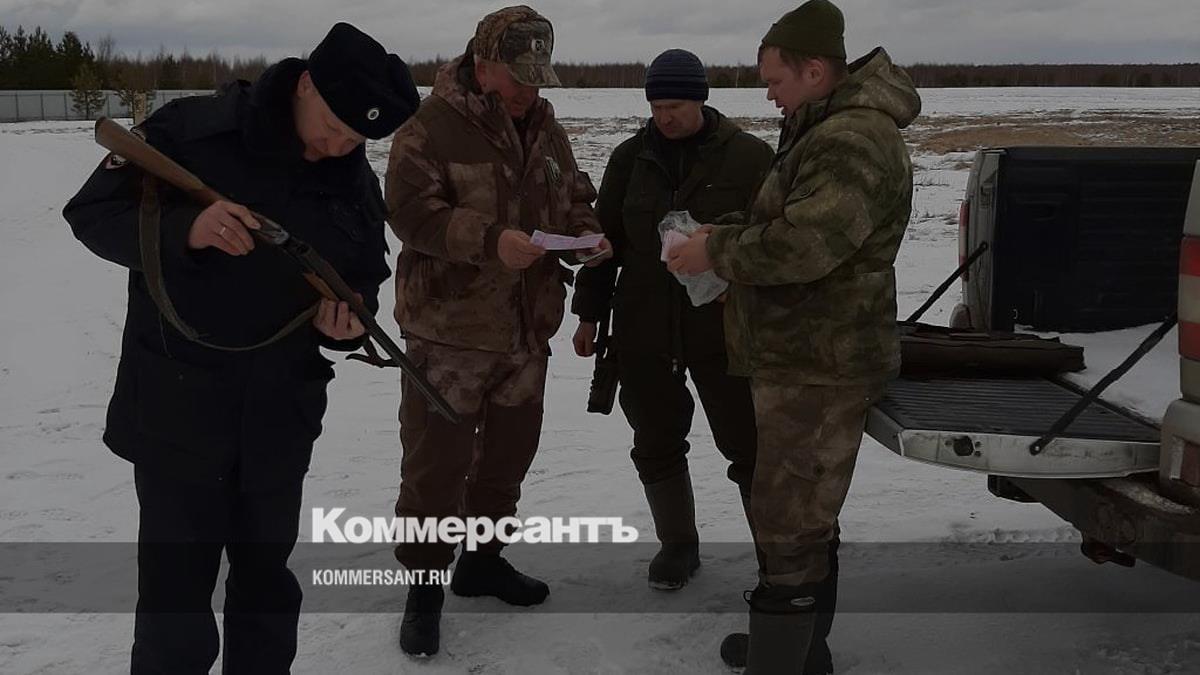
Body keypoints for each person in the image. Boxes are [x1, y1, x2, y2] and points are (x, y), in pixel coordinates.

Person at [62, 23, 419, 674]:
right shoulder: (191, 131)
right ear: (306, 83)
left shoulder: (351, 177)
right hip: (177, 408)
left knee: (266, 590)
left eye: (355, 139)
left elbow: (364, 272)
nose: (338, 146)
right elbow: (92, 213)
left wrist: (345, 322)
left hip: (280, 415)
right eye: (332, 126)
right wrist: (185, 229)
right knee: (175, 604)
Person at [666, 1, 922, 672]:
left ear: (814, 71)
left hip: (820, 362)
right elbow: (789, 219)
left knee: (791, 524)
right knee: (797, 515)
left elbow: (807, 245)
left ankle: (787, 658)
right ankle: (801, 652)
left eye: (775, 81)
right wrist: (721, 234)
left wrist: (717, 252)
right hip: (804, 353)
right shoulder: (824, 127)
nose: (769, 95)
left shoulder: (853, 138)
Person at [383, 4, 610, 658]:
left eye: (538, 78)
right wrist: (489, 241)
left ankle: (481, 562)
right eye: (518, 77)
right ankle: (426, 584)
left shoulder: (546, 128)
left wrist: (586, 234)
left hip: (525, 333)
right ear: (482, 66)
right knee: (435, 469)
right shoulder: (430, 128)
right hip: (448, 335)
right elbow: (410, 213)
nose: (528, 91)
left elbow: (573, 195)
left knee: (506, 462)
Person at [570, 48, 772, 591]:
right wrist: (588, 314)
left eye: (676, 106)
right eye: (656, 107)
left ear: (701, 100)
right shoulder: (629, 158)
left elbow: (771, 241)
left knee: (750, 446)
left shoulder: (749, 157)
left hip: (724, 329)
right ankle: (677, 544)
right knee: (655, 439)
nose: (665, 117)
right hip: (643, 325)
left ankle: (777, 559)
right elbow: (605, 242)